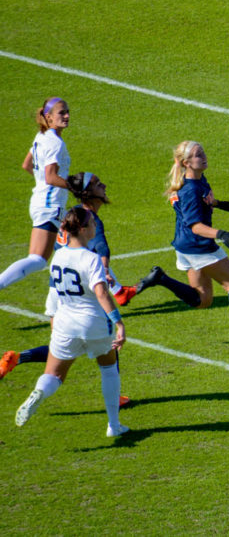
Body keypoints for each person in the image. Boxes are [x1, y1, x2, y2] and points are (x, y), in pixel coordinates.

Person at [1, 173, 133, 406]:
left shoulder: (72, 215)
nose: (103, 186)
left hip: (59, 290)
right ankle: (116, 397)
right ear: (88, 193)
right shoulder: (90, 221)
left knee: (63, 345)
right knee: (103, 338)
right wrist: (104, 272)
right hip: (82, 292)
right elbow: (102, 253)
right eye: (97, 184)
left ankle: (18, 358)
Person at [131, 141, 229, 350]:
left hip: (183, 246)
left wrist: (219, 204)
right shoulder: (191, 189)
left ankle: (162, 278)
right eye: (197, 154)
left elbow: (202, 202)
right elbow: (195, 226)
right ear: (187, 163)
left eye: (202, 152)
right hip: (198, 245)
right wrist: (220, 233)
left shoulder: (195, 181)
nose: (203, 156)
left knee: (203, 300)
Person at [13, 206, 129, 437]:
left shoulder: (59, 255)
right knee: (108, 368)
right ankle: (114, 426)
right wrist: (119, 323)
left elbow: (55, 292)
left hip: (65, 324)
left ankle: (39, 392)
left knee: (54, 374)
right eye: (93, 224)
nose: (96, 226)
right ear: (84, 229)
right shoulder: (92, 258)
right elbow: (102, 294)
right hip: (94, 323)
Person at [0, 97, 74, 290]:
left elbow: (27, 165)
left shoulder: (41, 137)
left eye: (67, 112)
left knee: (78, 245)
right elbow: (51, 177)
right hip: (50, 205)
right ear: (48, 117)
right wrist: (74, 187)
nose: (66, 116)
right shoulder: (55, 144)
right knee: (38, 259)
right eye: (61, 113)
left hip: (42, 201)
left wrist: (42, 182)